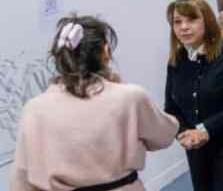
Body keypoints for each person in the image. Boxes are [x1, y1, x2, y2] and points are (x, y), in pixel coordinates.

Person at [11, 15, 179, 190]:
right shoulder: (130, 97)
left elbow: (22, 176)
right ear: (105, 52)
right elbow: (165, 136)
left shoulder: (34, 109)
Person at [164, 0, 223, 191]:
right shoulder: (177, 60)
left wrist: (206, 129)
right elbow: (171, 107)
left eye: (192, 19)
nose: (184, 27)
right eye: (177, 22)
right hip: (197, 153)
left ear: (207, 20)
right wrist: (184, 133)